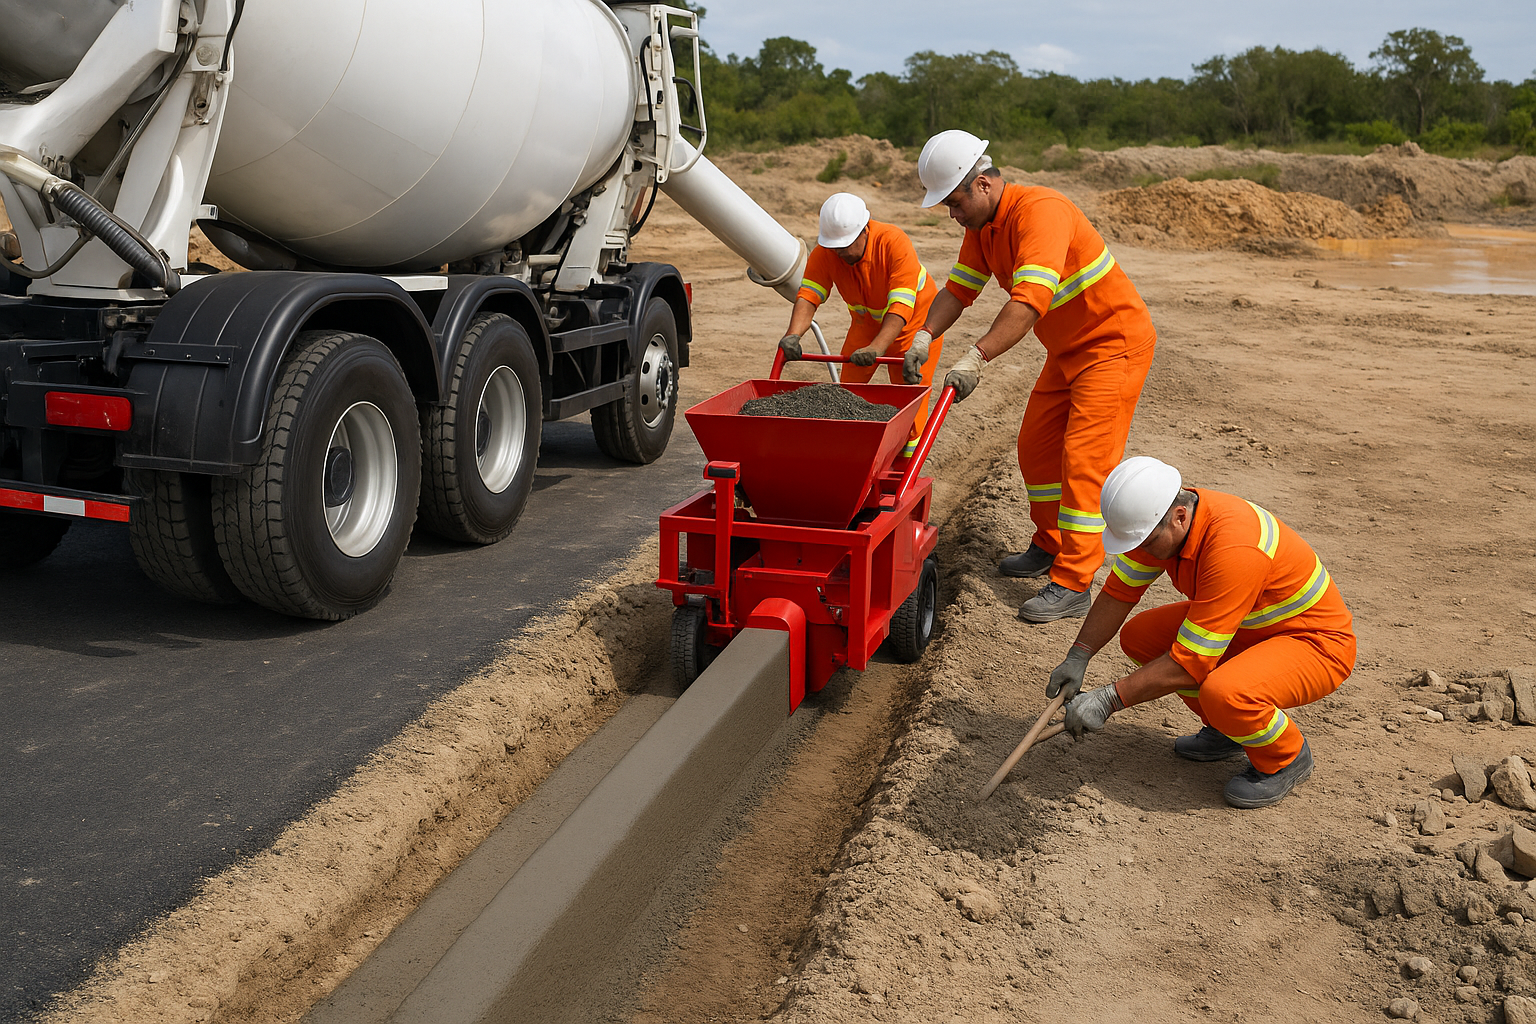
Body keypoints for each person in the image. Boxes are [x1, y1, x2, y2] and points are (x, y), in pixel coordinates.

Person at [906, 129, 1157, 622]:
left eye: (954, 203)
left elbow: (1029, 302)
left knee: (1084, 462)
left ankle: (1074, 582)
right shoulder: (983, 228)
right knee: (1036, 449)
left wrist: (976, 357)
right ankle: (1051, 544)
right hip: (1068, 351)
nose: (953, 215)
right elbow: (959, 289)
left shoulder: (1040, 212)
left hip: (1112, 346)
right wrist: (923, 335)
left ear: (982, 184)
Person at [1047, 456, 1356, 809]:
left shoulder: (1234, 547)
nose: (1138, 551)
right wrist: (1079, 654)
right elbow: (1120, 592)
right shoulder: (1160, 523)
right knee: (1141, 636)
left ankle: (1285, 757)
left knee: (1225, 692)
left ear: (1179, 517)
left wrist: (1109, 699)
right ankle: (1227, 730)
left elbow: (1186, 664)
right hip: (1251, 626)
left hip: (1314, 644)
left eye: (1144, 542)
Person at [779, 192, 944, 457]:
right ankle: (854, 453)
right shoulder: (828, 252)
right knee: (847, 392)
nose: (840, 253)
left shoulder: (893, 242)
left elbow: (900, 307)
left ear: (865, 230)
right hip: (865, 325)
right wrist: (792, 336)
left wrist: (877, 348)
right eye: (834, 247)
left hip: (914, 325)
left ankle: (905, 464)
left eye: (845, 245)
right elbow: (809, 296)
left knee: (909, 398)